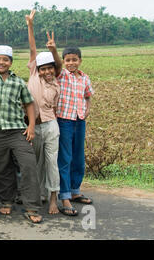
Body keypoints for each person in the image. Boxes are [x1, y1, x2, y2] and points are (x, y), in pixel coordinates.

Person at [0, 33, 43, 224]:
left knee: (28, 166)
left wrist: (31, 126)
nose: (1, 63)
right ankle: (6, 201)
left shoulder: (18, 82)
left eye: (5, 60)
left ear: (10, 62)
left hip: (17, 131)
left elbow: (29, 104)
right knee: (1, 169)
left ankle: (32, 206)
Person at [25, 9, 62, 215]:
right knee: (36, 162)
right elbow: (32, 50)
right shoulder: (33, 74)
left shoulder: (55, 82)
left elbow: (59, 64)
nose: (46, 72)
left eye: (50, 68)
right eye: (43, 69)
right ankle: (38, 194)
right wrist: (30, 26)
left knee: (51, 163)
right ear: (37, 69)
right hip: (33, 127)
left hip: (50, 126)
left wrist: (54, 50)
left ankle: (53, 198)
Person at [56, 45, 94, 216]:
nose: (71, 63)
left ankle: (75, 190)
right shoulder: (62, 75)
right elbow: (56, 64)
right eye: (68, 60)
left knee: (78, 156)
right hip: (64, 120)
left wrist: (87, 109)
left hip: (79, 120)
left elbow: (87, 95)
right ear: (63, 62)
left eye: (74, 59)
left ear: (80, 60)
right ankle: (64, 196)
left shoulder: (85, 78)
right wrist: (53, 49)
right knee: (65, 157)